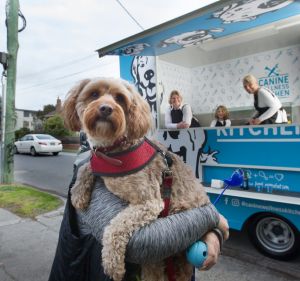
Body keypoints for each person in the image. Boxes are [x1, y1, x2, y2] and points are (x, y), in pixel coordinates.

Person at [48, 157, 229, 281]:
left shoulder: (152, 158)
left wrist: (212, 232)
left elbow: (186, 201)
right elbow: (140, 245)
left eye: (122, 101)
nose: (107, 107)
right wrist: (210, 217)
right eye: (94, 97)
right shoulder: (90, 175)